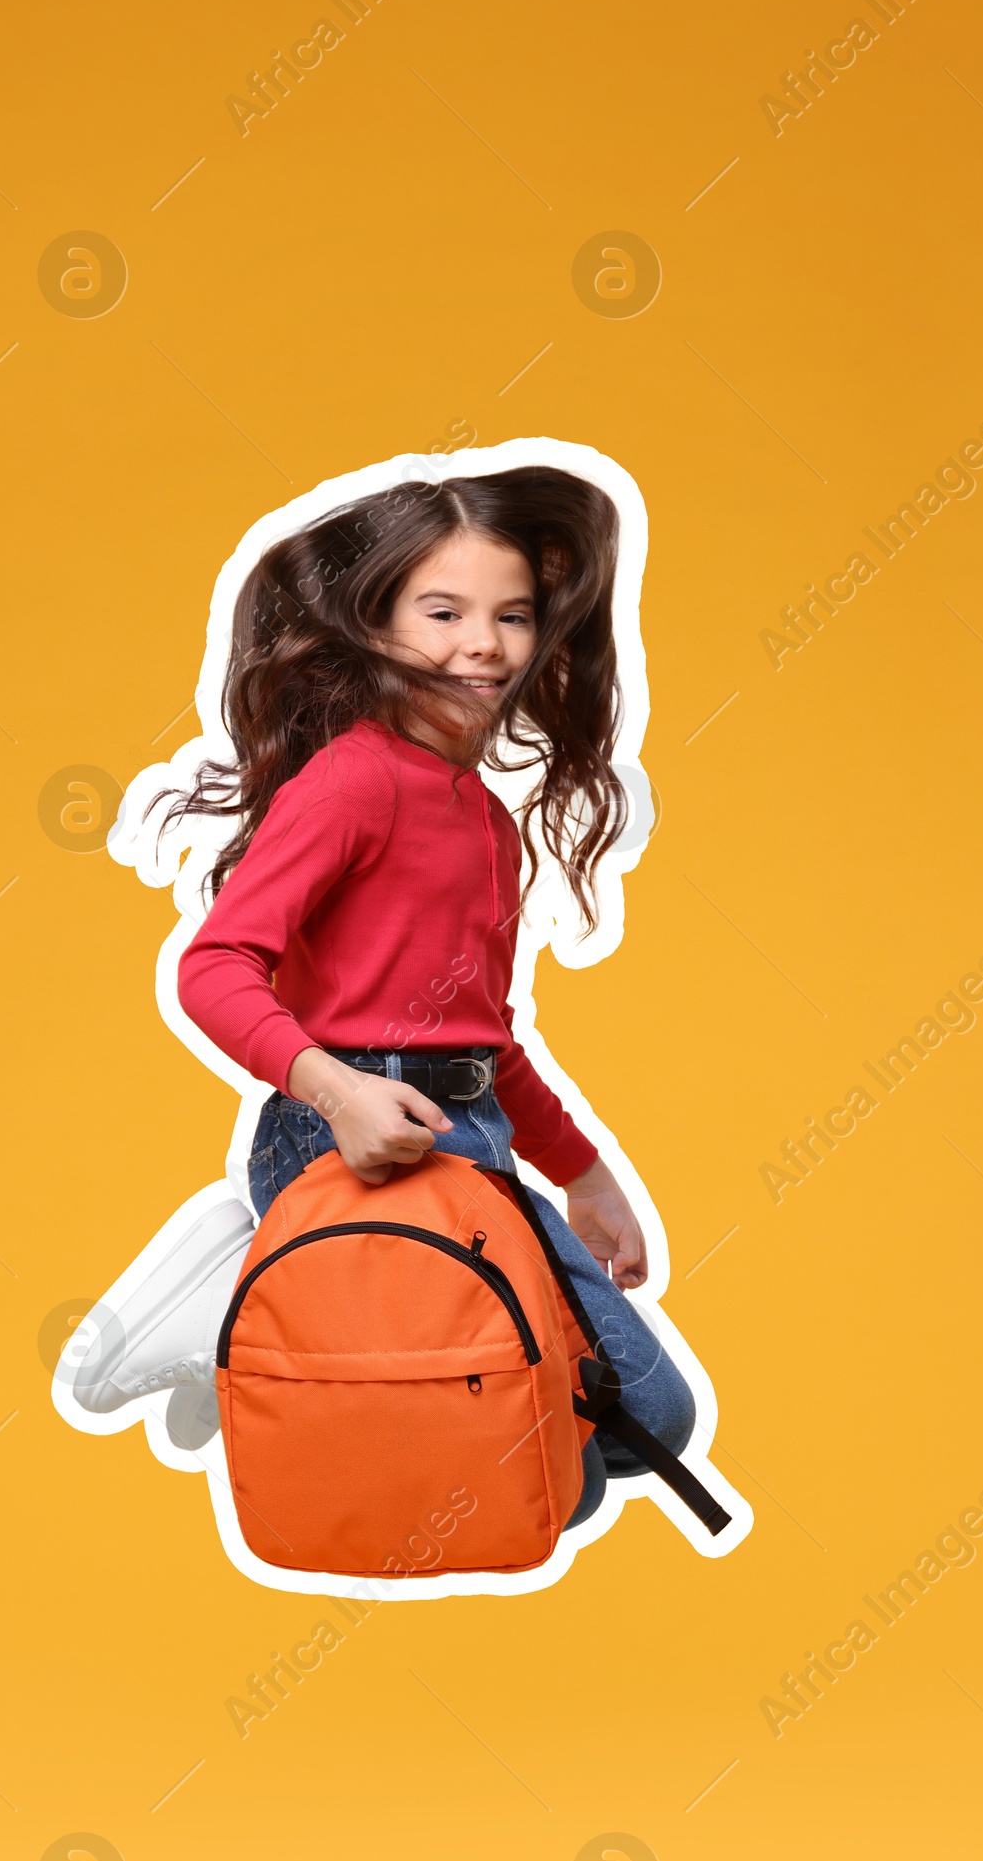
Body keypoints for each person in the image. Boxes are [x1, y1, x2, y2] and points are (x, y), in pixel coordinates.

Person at [163, 466, 695, 1523]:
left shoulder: (482, 821)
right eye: (442, 613)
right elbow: (212, 967)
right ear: (375, 623)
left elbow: (485, 1041)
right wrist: (337, 1095)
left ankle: (283, 1345)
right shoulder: (355, 781)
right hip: (348, 1133)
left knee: (643, 1421)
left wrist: (585, 1178)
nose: (483, 645)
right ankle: (248, 1347)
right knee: (559, 1458)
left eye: (511, 617)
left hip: (472, 1131)